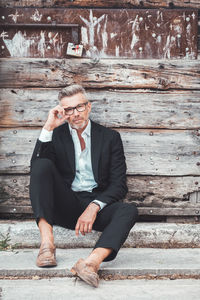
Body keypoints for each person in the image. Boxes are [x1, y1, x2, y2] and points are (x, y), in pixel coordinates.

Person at [30, 84, 138, 288]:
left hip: (96, 208)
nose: (75, 114)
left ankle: (90, 263)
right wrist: (48, 127)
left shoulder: (110, 138)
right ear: (63, 112)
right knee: (41, 164)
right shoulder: (57, 135)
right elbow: (37, 170)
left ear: (89, 107)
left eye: (79, 107)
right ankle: (47, 244)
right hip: (66, 204)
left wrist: (94, 206)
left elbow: (119, 185)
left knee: (129, 210)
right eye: (68, 109)